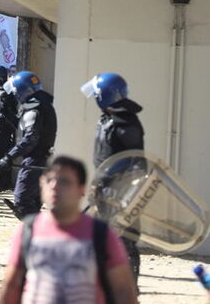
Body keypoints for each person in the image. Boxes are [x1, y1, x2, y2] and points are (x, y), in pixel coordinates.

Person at [0, 156, 137, 304]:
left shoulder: (101, 234)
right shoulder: (28, 230)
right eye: (49, 180)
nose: (54, 186)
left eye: (64, 182)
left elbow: (123, 291)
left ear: (82, 189)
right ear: (41, 184)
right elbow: (11, 286)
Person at [85, 72, 145, 286]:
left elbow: (136, 163)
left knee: (124, 241)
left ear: (105, 95)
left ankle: (129, 290)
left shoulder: (126, 122)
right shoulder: (107, 117)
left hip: (122, 193)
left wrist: (126, 195)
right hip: (105, 191)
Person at [0, 71, 57, 218]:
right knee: (33, 203)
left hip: (34, 161)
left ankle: (35, 229)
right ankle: (36, 230)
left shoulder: (34, 109)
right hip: (43, 159)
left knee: (22, 202)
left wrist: (9, 157)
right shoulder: (45, 105)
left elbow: (30, 138)